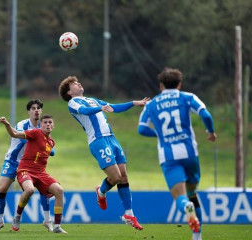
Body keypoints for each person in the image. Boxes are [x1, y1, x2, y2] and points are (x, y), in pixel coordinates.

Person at [58, 76, 149, 230]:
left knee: (124, 176)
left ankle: (129, 214)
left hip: (111, 138)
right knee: (115, 177)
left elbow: (113, 107)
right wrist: (100, 108)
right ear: (69, 92)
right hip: (98, 140)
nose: (79, 83)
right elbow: (85, 111)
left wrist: (134, 103)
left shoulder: (92, 99)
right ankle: (101, 191)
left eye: (78, 81)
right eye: (74, 84)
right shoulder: (73, 103)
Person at [138, 67, 216, 240]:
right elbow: (206, 115)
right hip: (190, 154)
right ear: (179, 85)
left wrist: (159, 134)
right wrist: (210, 131)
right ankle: (197, 237)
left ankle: (186, 207)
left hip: (169, 157)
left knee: (181, 198)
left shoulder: (151, 104)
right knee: (192, 193)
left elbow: (142, 129)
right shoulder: (188, 97)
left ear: (161, 86)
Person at [0, 99, 54, 232]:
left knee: (44, 188)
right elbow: (19, 136)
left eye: (38, 108)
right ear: (29, 111)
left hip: (30, 164)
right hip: (13, 160)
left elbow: (47, 145)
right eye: (33, 108)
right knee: (2, 188)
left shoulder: (43, 128)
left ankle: (47, 220)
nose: (36, 110)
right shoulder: (23, 124)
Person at [0, 114, 67, 234]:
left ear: (53, 125)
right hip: (25, 170)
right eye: (45, 122)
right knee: (29, 190)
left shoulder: (51, 142)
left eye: (50, 122)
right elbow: (14, 134)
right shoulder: (35, 133)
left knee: (59, 190)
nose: (48, 124)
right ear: (41, 125)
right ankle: (17, 216)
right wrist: (7, 124)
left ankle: (57, 226)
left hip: (41, 173)